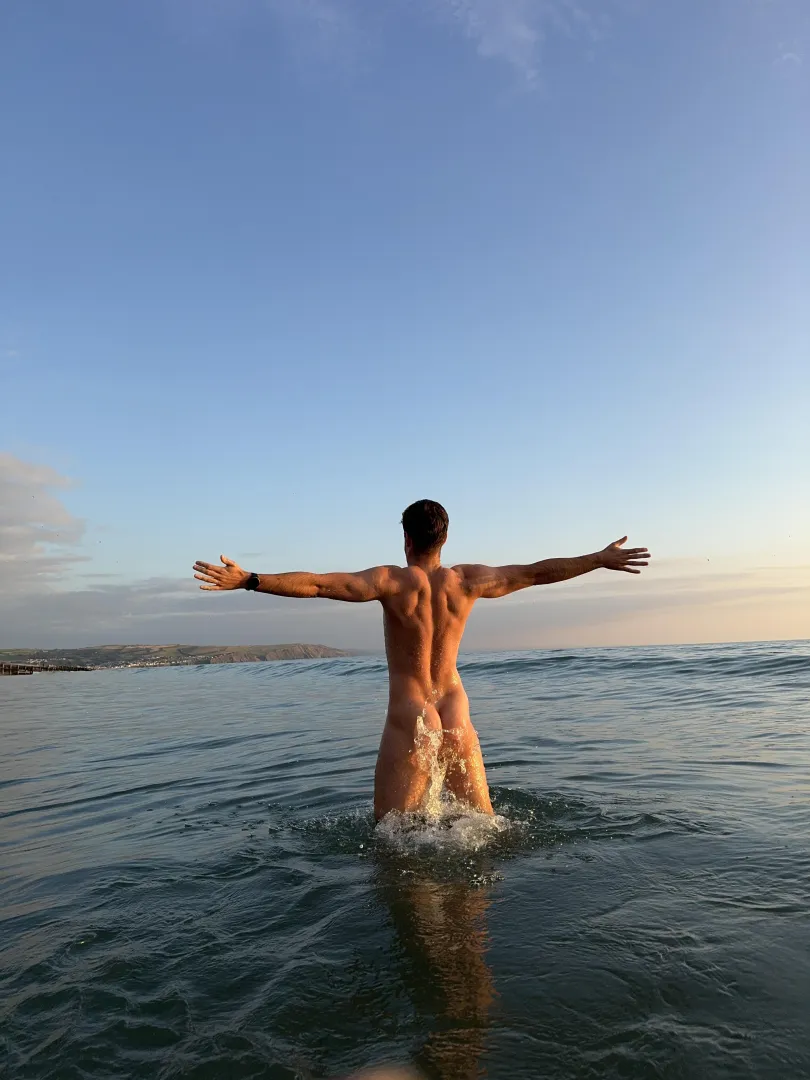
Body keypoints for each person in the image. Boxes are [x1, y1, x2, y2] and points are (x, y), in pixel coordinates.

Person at [193, 500, 650, 820]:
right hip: (455, 709)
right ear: (445, 538)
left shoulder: (392, 581)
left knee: (393, 842)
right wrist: (598, 559)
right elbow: (535, 573)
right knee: (481, 831)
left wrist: (249, 579)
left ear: (406, 537)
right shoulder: (468, 581)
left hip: (411, 714)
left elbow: (317, 584)